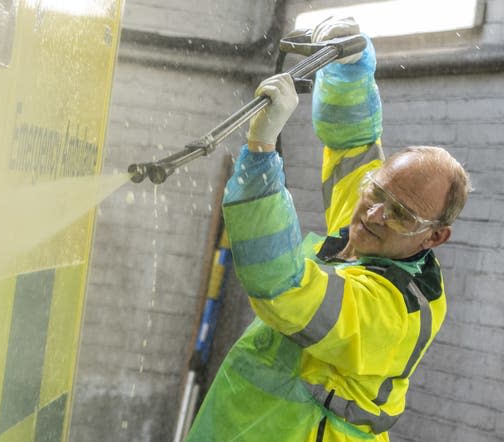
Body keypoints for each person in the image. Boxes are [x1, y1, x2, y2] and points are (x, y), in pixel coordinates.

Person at [185, 17, 471, 442]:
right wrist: (349, 65)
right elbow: (353, 142)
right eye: (375, 193)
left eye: (401, 215)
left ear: (433, 237)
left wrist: (261, 154)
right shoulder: (376, 222)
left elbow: (284, 290)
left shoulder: (394, 312)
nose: (374, 214)